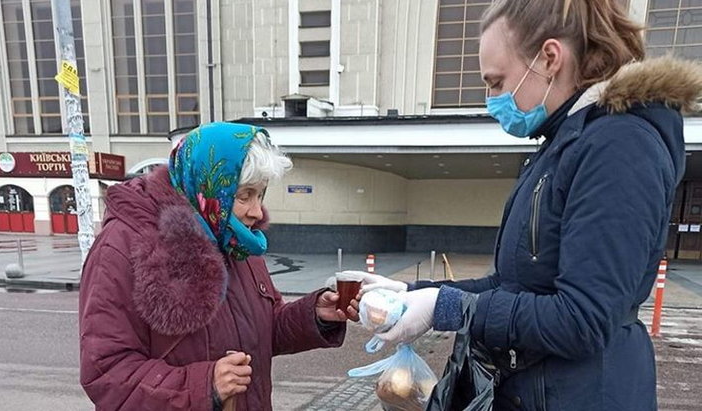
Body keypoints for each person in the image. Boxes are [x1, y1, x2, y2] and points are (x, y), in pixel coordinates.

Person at [352, 0, 702, 409]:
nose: (491, 99)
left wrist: (446, 307)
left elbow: (583, 319)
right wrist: (418, 293)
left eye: (497, 81)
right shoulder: (565, 143)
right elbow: (514, 285)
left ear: (550, 58)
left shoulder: (619, 145)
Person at [79, 122, 356, 411]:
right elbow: (106, 372)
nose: (257, 211)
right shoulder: (122, 247)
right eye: (244, 195)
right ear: (207, 186)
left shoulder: (236, 241)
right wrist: (203, 385)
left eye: (260, 194)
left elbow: (264, 329)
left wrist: (315, 314)